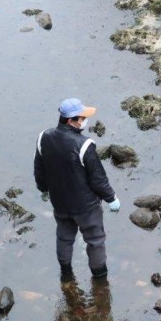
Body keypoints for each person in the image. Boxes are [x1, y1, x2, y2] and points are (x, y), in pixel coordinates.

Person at [34, 98, 121, 281]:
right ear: (70, 120)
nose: (84, 121)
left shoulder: (44, 137)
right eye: (82, 118)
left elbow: (39, 168)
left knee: (64, 238)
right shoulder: (84, 145)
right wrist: (111, 198)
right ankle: (100, 279)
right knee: (95, 240)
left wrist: (43, 189)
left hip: (60, 202)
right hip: (86, 207)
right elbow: (98, 179)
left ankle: (66, 275)